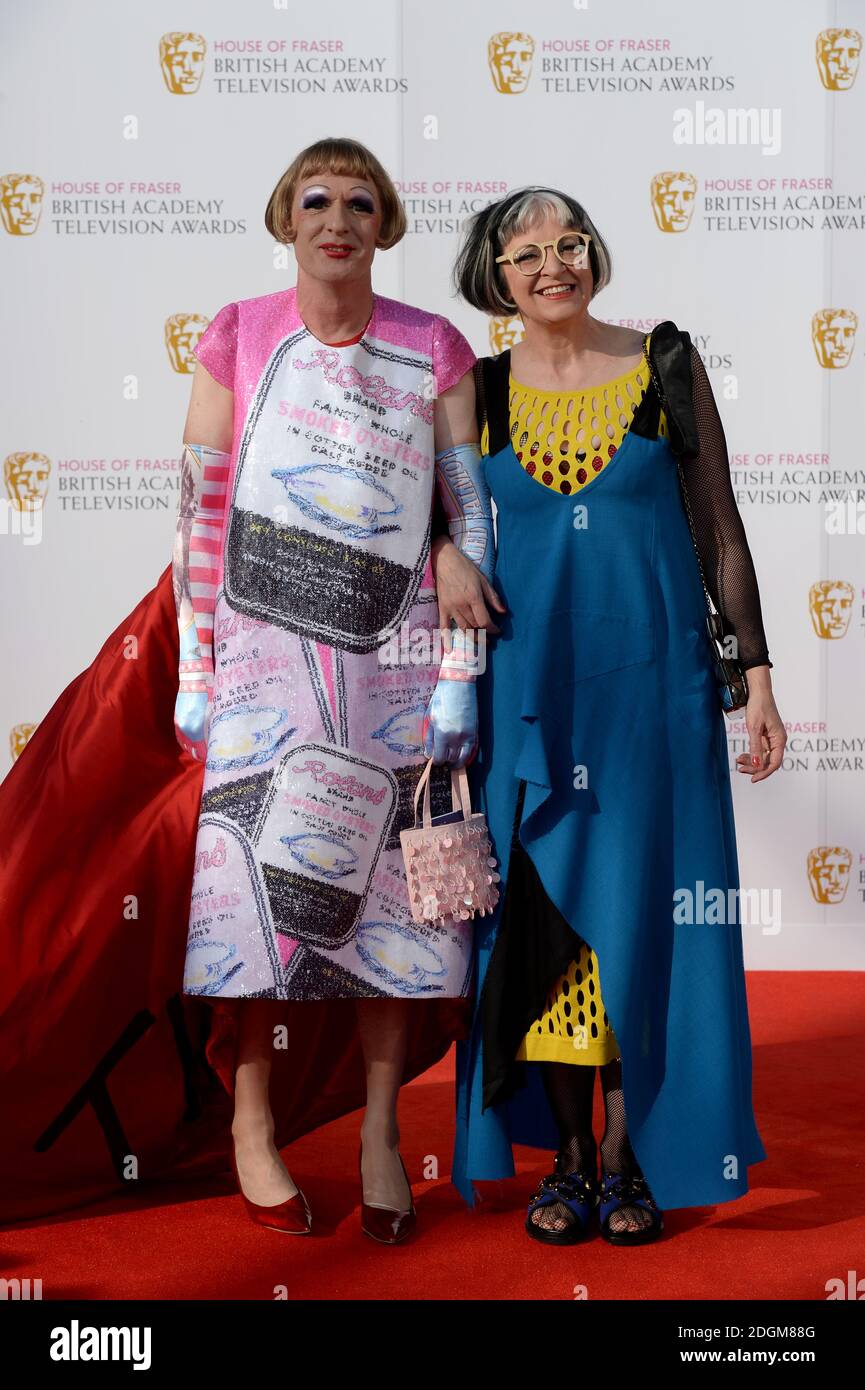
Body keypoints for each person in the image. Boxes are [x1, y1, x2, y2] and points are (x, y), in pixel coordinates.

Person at [0, 137, 482, 1243]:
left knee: (395, 915)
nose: (338, 219)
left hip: (399, 666)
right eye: (317, 199)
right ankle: (251, 1128)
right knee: (254, 909)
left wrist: (459, 674)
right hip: (263, 670)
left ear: (386, 223)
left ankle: (375, 1133)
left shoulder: (435, 346)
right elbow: (199, 519)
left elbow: (470, 515)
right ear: (285, 217)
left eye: (362, 202)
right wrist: (196, 667)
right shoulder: (235, 336)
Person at [431, 186, 787, 1245]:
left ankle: (629, 1159)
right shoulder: (474, 391)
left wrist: (754, 675)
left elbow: (719, 527)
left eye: (570, 242)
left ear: (597, 255)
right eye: (527, 250)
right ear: (494, 277)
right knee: (539, 930)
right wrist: (445, 551)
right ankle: (570, 1159)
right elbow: (431, 518)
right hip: (522, 701)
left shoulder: (663, 365)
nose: (553, 263)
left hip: (655, 705)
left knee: (644, 927)